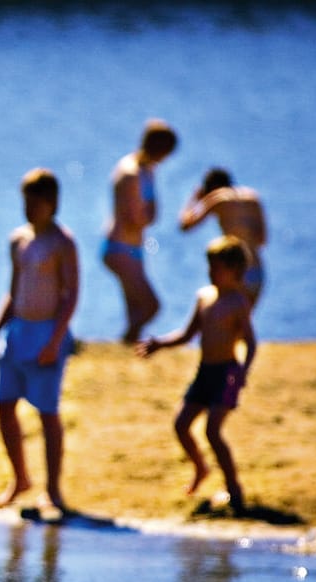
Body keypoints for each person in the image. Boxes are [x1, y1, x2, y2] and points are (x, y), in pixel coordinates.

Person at [136, 235, 257, 510]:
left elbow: (250, 343)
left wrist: (243, 372)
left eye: (218, 268)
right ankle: (201, 468)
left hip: (226, 373)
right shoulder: (204, 297)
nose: (211, 272)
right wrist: (159, 344)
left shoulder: (238, 302)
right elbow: (187, 334)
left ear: (235, 271)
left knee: (213, 430)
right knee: (181, 425)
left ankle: (234, 489)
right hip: (205, 372)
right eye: (209, 267)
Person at [0, 168, 79, 512]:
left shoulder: (62, 243)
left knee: (47, 412)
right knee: (4, 405)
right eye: (25, 201)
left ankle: (53, 489)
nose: (29, 208)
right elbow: (13, 291)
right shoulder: (18, 240)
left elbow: (70, 296)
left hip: (46, 333)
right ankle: (19, 477)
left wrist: (55, 340)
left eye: (35, 202)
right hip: (18, 331)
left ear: (52, 203)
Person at [102, 119, 178, 342]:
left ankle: (129, 348)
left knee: (136, 308)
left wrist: (147, 216)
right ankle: (125, 341)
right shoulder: (130, 172)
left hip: (133, 247)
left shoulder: (147, 170)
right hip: (120, 246)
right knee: (151, 306)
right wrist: (147, 216)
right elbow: (137, 218)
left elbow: (150, 213)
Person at [179, 167, 268, 308]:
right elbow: (262, 239)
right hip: (256, 271)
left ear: (212, 187)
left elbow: (185, 225)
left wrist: (194, 198)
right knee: (242, 324)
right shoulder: (253, 198)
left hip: (233, 272)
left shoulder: (219, 198)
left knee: (221, 324)